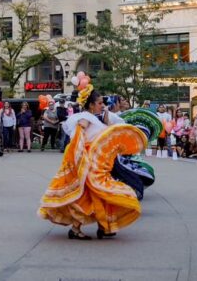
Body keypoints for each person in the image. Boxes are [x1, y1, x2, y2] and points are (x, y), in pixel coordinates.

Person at [39, 84, 145, 240]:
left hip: (97, 165)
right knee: (89, 196)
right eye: (100, 103)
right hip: (88, 164)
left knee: (98, 195)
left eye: (102, 103)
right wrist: (80, 155)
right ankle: (82, 228)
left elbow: (109, 131)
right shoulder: (85, 118)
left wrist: (107, 114)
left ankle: (103, 227)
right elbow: (79, 135)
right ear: (91, 104)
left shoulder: (94, 118)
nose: (102, 105)